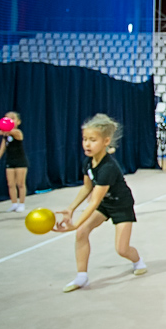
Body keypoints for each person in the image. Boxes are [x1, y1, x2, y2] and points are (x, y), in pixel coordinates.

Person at [54, 114, 146, 292]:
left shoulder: (108, 168)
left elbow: (94, 201)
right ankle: (82, 277)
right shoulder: (88, 162)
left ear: (106, 141)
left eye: (92, 140)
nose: (87, 144)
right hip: (105, 203)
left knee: (122, 248)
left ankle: (137, 261)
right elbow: (87, 188)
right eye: (85, 139)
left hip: (121, 204)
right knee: (82, 233)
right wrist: (70, 209)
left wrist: (75, 224)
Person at [0, 111, 28, 212]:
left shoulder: (18, 133)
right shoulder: (6, 135)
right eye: (7, 119)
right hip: (10, 160)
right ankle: (14, 203)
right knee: (11, 184)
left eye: (12, 119)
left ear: (18, 122)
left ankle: (21, 204)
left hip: (20, 161)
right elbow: (1, 149)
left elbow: (10, 132)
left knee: (20, 183)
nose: (10, 121)